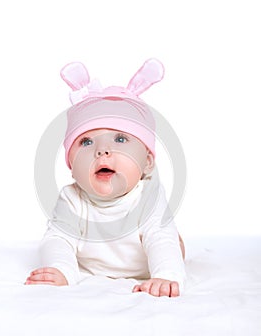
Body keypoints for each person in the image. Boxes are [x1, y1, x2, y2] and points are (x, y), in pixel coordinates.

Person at [25, 59, 186, 297]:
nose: (102, 150)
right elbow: (58, 240)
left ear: (147, 162)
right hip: (92, 268)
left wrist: (166, 275)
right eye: (86, 142)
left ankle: (178, 250)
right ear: (71, 166)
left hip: (142, 267)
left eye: (120, 139)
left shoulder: (149, 195)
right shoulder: (72, 198)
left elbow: (160, 239)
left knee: (168, 236)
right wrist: (62, 270)